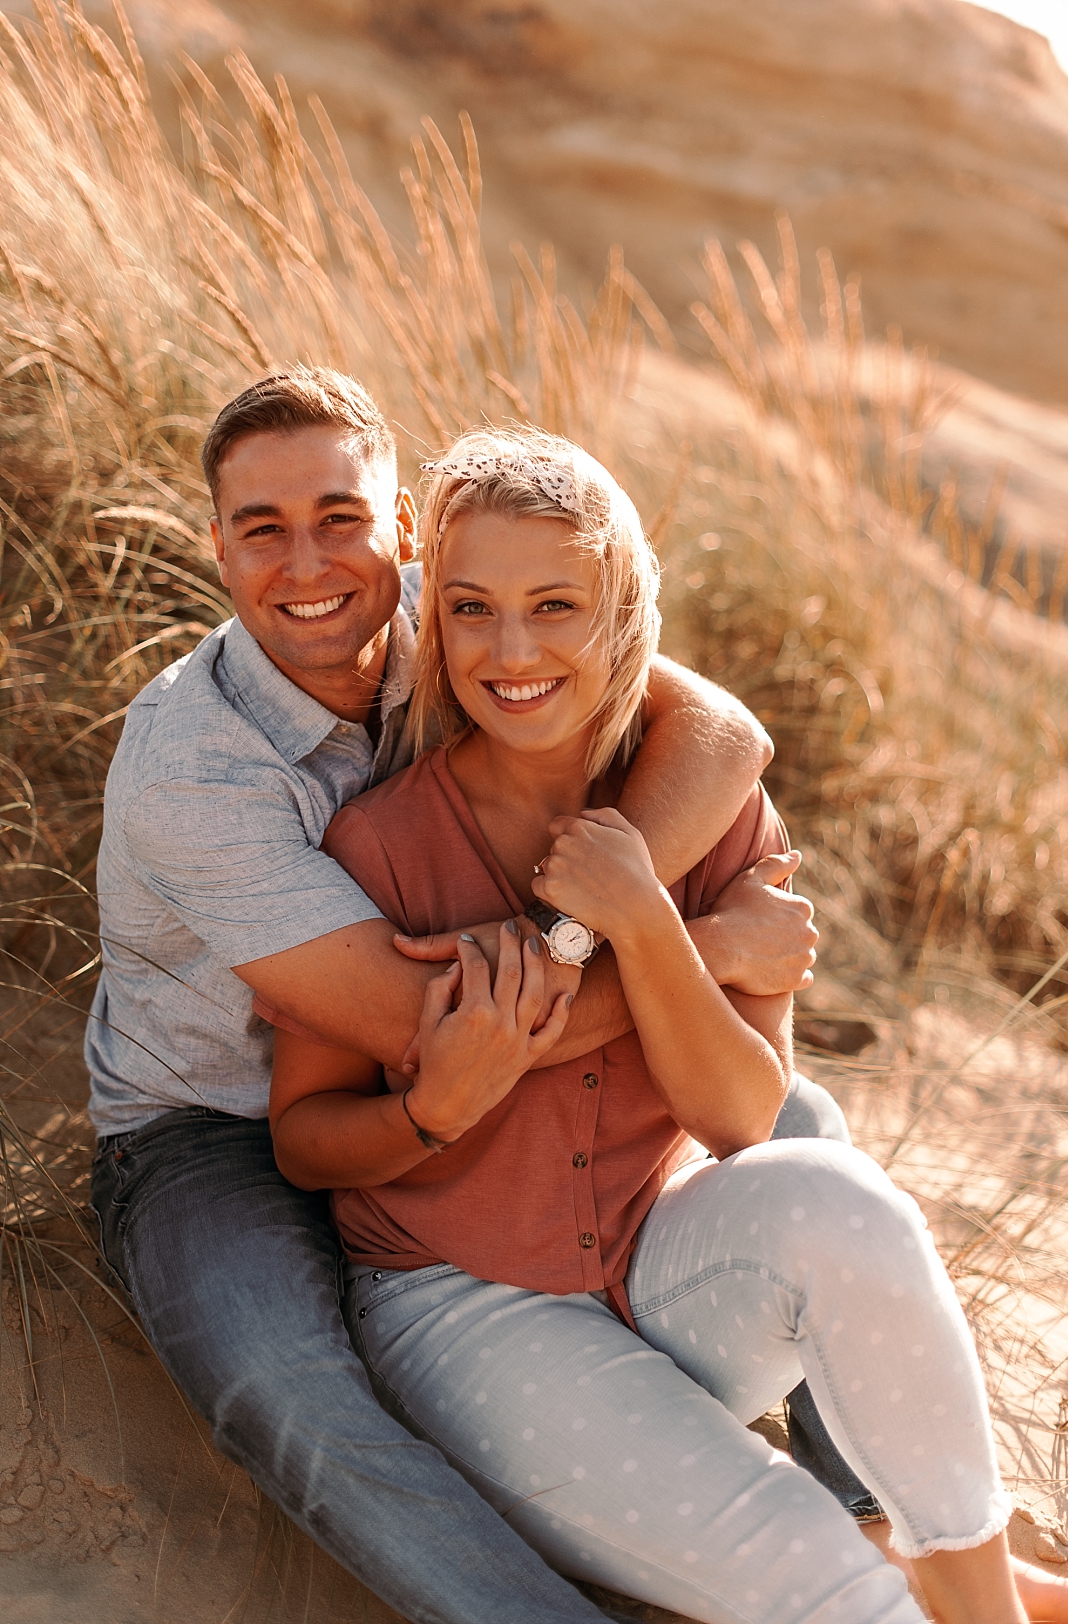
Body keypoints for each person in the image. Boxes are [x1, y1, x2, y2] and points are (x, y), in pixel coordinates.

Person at [267, 427, 1068, 1624]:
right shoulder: (377, 844)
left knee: (842, 1196)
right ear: (430, 621)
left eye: (556, 604)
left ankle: (983, 1603)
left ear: (623, 611)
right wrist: (430, 1111)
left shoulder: (719, 813)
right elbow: (303, 1139)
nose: (512, 649)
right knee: (837, 1597)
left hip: (662, 1270)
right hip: (459, 1307)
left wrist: (645, 918)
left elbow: (747, 1115)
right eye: (471, 607)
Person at [87, 369, 823, 1624]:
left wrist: (613, 935)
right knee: (285, 1389)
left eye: (341, 516)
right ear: (216, 547)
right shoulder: (189, 766)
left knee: (805, 1135)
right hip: (207, 1130)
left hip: (461, 1095)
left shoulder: (465, 612)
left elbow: (718, 730)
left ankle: (880, 1522)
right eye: (260, 528)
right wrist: (693, 944)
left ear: (404, 530)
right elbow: (435, 1034)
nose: (307, 561)